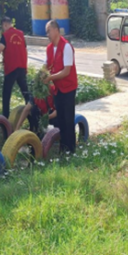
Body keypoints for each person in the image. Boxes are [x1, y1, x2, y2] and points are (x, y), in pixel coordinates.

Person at [43, 19, 77, 154]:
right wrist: (41, 74)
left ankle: (71, 149)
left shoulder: (66, 46)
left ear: (56, 30)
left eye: (49, 31)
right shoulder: (49, 48)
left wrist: (50, 77)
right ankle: (63, 148)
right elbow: (46, 65)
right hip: (57, 88)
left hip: (68, 88)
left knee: (68, 119)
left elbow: (66, 71)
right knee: (60, 120)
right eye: (46, 32)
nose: (47, 35)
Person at [0, 16, 29, 119]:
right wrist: (26, 66)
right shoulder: (21, 34)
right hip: (22, 68)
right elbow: (25, 50)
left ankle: (5, 118)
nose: (3, 28)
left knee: (6, 93)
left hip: (11, 69)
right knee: (26, 93)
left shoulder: (5, 35)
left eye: (3, 26)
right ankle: (33, 114)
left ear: (5, 25)